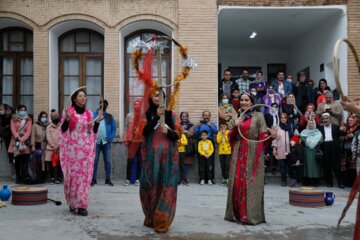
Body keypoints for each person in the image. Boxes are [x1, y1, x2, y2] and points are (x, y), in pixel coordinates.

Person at [225, 91, 274, 225]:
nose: (244, 102)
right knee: (236, 183)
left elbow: (263, 135)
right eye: (242, 100)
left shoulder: (259, 116)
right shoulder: (237, 116)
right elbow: (231, 137)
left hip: (253, 152)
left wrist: (272, 136)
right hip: (238, 152)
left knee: (251, 184)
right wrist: (235, 126)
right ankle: (235, 214)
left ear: (252, 102)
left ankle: (249, 215)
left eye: (246, 100)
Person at [140, 90, 181, 233]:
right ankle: (150, 217)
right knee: (149, 186)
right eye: (156, 95)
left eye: (161, 95)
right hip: (151, 157)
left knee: (166, 186)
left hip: (168, 157)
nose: (158, 98)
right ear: (151, 97)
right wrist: (155, 118)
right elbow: (143, 132)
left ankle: (162, 219)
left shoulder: (172, 114)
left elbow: (178, 135)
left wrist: (168, 132)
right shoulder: (146, 114)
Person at [60, 89, 101, 216]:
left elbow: (92, 131)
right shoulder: (68, 112)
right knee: (73, 176)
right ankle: (73, 203)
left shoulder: (89, 114)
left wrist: (97, 123)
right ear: (74, 98)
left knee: (84, 177)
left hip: (86, 148)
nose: (83, 97)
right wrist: (67, 120)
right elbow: (63, 130)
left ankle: (82, 205)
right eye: (80, 96)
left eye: (84, 96)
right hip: (72, 147)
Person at [91, 99, 116, 187]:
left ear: (106, 106)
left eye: (105, 104)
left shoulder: (109, 116)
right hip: (96, 142)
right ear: (99, 104)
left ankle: (108, 179)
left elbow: (114, 128)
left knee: (108, 161)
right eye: (101, 103)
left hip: (106, 142)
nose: (103, 105)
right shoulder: (93, 115)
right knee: (94, 160)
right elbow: (90, 127)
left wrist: (111, 137)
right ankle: (93, 179)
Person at [318, 112, 346, 187]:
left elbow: (342, 134)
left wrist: (343, 129)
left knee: (337, 166)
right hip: (325, 146)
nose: (325, 120)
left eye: (327, 118)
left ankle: (340, 183)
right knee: (327, 166)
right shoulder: (319, 128)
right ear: (322, 120)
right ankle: (329, 182)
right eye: (324, 119)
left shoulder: (336, 127)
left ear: (330, 119)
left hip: (334, 147)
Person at [9, 105, 32, 184]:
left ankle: (24, 178)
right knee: (17, 161)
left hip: (25, 143)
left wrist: (23, 139)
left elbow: (28, 131)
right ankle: (18, 178)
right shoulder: (14, 119)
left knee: (25, 161)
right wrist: (18, 138)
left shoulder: (29, 120)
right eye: (21, 110)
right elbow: (13, 130)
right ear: (17, 111)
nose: (23, 111)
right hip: (16, 142)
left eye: (24, 110)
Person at [123, 99, 144, 186]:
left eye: (138, 104)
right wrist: (125, 138)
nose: (136, 106)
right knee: (130, 160)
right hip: (131, 140)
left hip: (140, 141)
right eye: (135, 104)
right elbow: (125, 127)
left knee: (140, 160)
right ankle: (128, 179)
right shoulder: (129, 115)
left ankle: (138, 179)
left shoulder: (143, 116)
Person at [194, 111, 218, 183]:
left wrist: (210, 125)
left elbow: (216, 132)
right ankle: (202, 178)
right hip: (200, 143)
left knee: (211, 162)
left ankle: (210, 178)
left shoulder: (212, 124)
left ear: (210, 116)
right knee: (201, 162)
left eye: (208, 115)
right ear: (203, 116)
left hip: (210, 142)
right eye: (205, 115)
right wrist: (198, 127)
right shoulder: (199, 124)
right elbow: (195, 134)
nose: (206, 116)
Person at [272, 112, 295, 186]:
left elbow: (297, 135)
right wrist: (274, 148)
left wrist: (294, 141)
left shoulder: (291, 126)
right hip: (281, 150)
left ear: (287, 118)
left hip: (290, 150)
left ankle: (292, 179)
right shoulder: (277, 127)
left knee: (290, 166)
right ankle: (283, 181)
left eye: (285, 117)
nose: (283, 119)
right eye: (281, 117)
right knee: (282, 167)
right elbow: (274, 139)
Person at [300, 119, 323, 187]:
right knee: (307, 166)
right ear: (307, 124)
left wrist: (313, 142)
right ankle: (307, 181)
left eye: (312, 123)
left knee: (315, 166)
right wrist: (310, 141)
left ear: (314, 124)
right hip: (307, 151)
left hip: (315, 151)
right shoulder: (304, 132)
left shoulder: (318, 132)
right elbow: (302, 138)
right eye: (309, 123)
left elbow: (321, 140)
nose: (311, 124)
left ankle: (315, 181)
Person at [30, 111, 49, 183]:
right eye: (42, 117)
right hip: (37, 145)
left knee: (44, 162)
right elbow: (33, 136)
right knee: (38, 162)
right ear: (40, 117)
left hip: (45, 145)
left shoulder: (47, 125)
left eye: (45, 117)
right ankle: (37, 178)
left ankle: (43, 178)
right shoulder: (35, 125)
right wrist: (33, 145)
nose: (44, 118)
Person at [340, 115, 358, 188]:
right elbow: (341, 137)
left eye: (351, 120)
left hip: (354, 150)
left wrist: (353, 135)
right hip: (345, 151)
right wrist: (346, 136)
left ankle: (352, 184)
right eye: (349, 120)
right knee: (345, 168)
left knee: (353, 168)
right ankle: (344, 183)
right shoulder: (344, 128)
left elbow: (356, 136)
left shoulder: (357, 128)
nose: (350, 122)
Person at [45, 109, 62, 184]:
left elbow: (62, 136)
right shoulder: (48, 127)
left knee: (59, 164)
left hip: (59, 148)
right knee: (50, 164)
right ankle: (51, 178)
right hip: (50, 149)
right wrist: (53, 146)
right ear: (52, 119)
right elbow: (48, 137)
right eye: (54, 119)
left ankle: (58, 178)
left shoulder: (61, 126)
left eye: (57, 119)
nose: (56, 121)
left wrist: (57, 145)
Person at [179, 111, 195, 185]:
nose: (184, 118)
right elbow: (177, 132)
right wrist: (185, 132)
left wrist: (183, 131)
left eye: (185, 116)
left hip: (188, 145)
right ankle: (179, 178)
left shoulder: (191, 125)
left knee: (187, 162)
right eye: (183, 116)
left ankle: (184, 178)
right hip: (179, 145)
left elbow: (191, 134)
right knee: (179, 163)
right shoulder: (178, 124)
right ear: (181, 117)